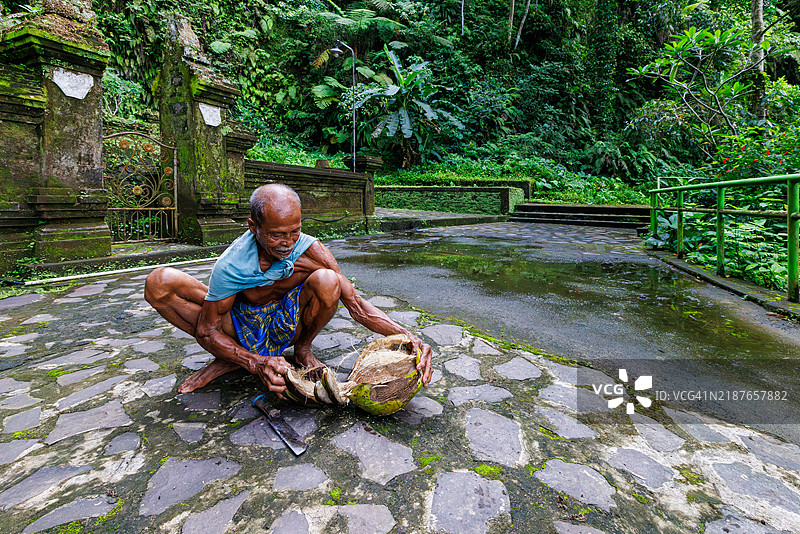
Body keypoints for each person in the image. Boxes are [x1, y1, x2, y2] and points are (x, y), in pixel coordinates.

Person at [144, 183, 433, 398]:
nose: (287, 242)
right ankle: (232, 359)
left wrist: (410, 338)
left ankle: (302, 350)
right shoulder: (232, 265)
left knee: (329, 280)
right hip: (243, 325)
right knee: (159, 282)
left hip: (287, 322)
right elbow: (208, 331)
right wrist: (256, 364)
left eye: (294, 231)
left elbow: (356, 305)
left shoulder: (311, 250)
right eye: (276, 234)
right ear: (253, 227)